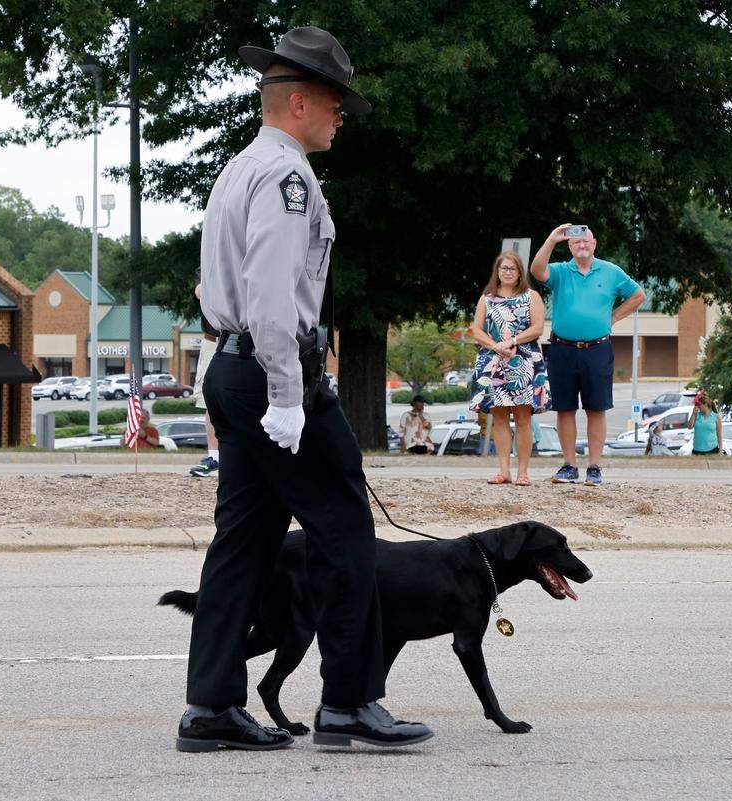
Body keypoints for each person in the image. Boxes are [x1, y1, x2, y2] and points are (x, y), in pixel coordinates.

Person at [179, 26, 431, 753]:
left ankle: (211, 704)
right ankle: (349, 701)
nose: (340, 118)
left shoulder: (236, 169)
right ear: (300, 104)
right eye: (336, 105)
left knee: (243, 540)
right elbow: (269, 293)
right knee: (346, 529)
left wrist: (220, 374)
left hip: (236, 366)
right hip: (272, 371)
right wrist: (288, 393)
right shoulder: (289, 178)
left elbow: (211, 286)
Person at [530, 224, 645, 486]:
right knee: (565, 408)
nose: (582, 246)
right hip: (562, 348)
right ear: (569, 246)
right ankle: (569, 465)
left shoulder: (611, 271)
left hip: (597, 349)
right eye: (576, 243)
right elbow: (537, 270)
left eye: (586, 242)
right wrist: (551, 239)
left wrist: (613, 317)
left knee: (597, 408)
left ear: (594, 244)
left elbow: (638, 295)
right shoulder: (561, 271)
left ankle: (594, 467)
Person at [469, 251, 550, 486]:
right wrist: (496, 346)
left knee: (523, 417)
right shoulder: (487, 298)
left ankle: (523, 471)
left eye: (512, 269)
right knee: (500, 417)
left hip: (523, 360)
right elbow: (477, 330)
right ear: (497, 271)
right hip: (494, 361)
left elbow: (537, 329)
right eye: (503, 268)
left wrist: (512, 342)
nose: (507, 272)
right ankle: (504, 470)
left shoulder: (531, 296)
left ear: (519, 272)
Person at [189, 284, 220, 477]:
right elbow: (200, 291)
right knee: (210, 401)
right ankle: (215, 457)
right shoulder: (209, 260)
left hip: (247, 338)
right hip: (213, 340)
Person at [687, 390, 723, 455]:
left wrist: (720, 451)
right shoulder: (696, 415)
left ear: (705, 405)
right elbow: (689, 427)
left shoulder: (716, 417)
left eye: (699, 405)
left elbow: (719, 435)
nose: (698, 407)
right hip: (697, 451)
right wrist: (693, 413)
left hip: (712, 450)